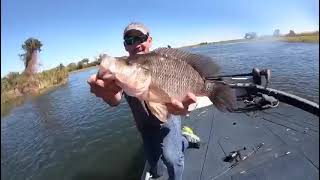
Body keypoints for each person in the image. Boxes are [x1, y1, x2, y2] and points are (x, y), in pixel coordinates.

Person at [87, 22, 201, 180]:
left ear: (149, 40)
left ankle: (183, 141)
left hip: (168, 119)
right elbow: (115, 99)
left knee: (172, 158)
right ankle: (183, 139)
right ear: (125, 46)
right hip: (145, 127)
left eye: (140, 38)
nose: (136, 44)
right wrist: (107, 95)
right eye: (129, 40)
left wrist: (188, 104)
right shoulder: (125, 69)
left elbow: (187, 95)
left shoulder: (163, 61)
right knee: (156, 167)